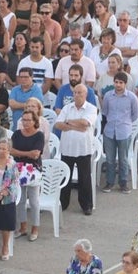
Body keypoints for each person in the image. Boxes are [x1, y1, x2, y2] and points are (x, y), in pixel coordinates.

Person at [55, 82, 97, 215]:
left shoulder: (91, 108)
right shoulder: (67, 108)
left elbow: (86, 123)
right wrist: (76, 125)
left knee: (84, 178)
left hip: (83, 149)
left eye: (80, 93)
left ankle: (86, 205)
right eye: (75, 93)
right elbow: (58, 124)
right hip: (67, 148)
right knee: (65, 177)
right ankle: (63, 202)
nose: (77, 95)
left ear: (86, 94)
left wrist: (68, 122)